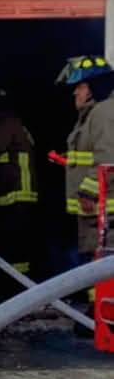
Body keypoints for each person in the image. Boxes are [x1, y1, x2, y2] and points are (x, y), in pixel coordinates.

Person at [59, 56, 114, 264]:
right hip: (96, 212)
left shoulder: (104, 112)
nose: (75, 92)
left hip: (103, 210)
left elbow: (109, 155)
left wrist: (89, 190)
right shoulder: (93, 114)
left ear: (93, 88)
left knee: (98, 264)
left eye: (79, 87)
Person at [0, 88, 38, 305]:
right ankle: (13, 289)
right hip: (13, 193)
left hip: (16, 193)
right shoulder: (13, 122)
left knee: (15, 247)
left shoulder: (7, 124)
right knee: (12, 245)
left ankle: (15, 292)